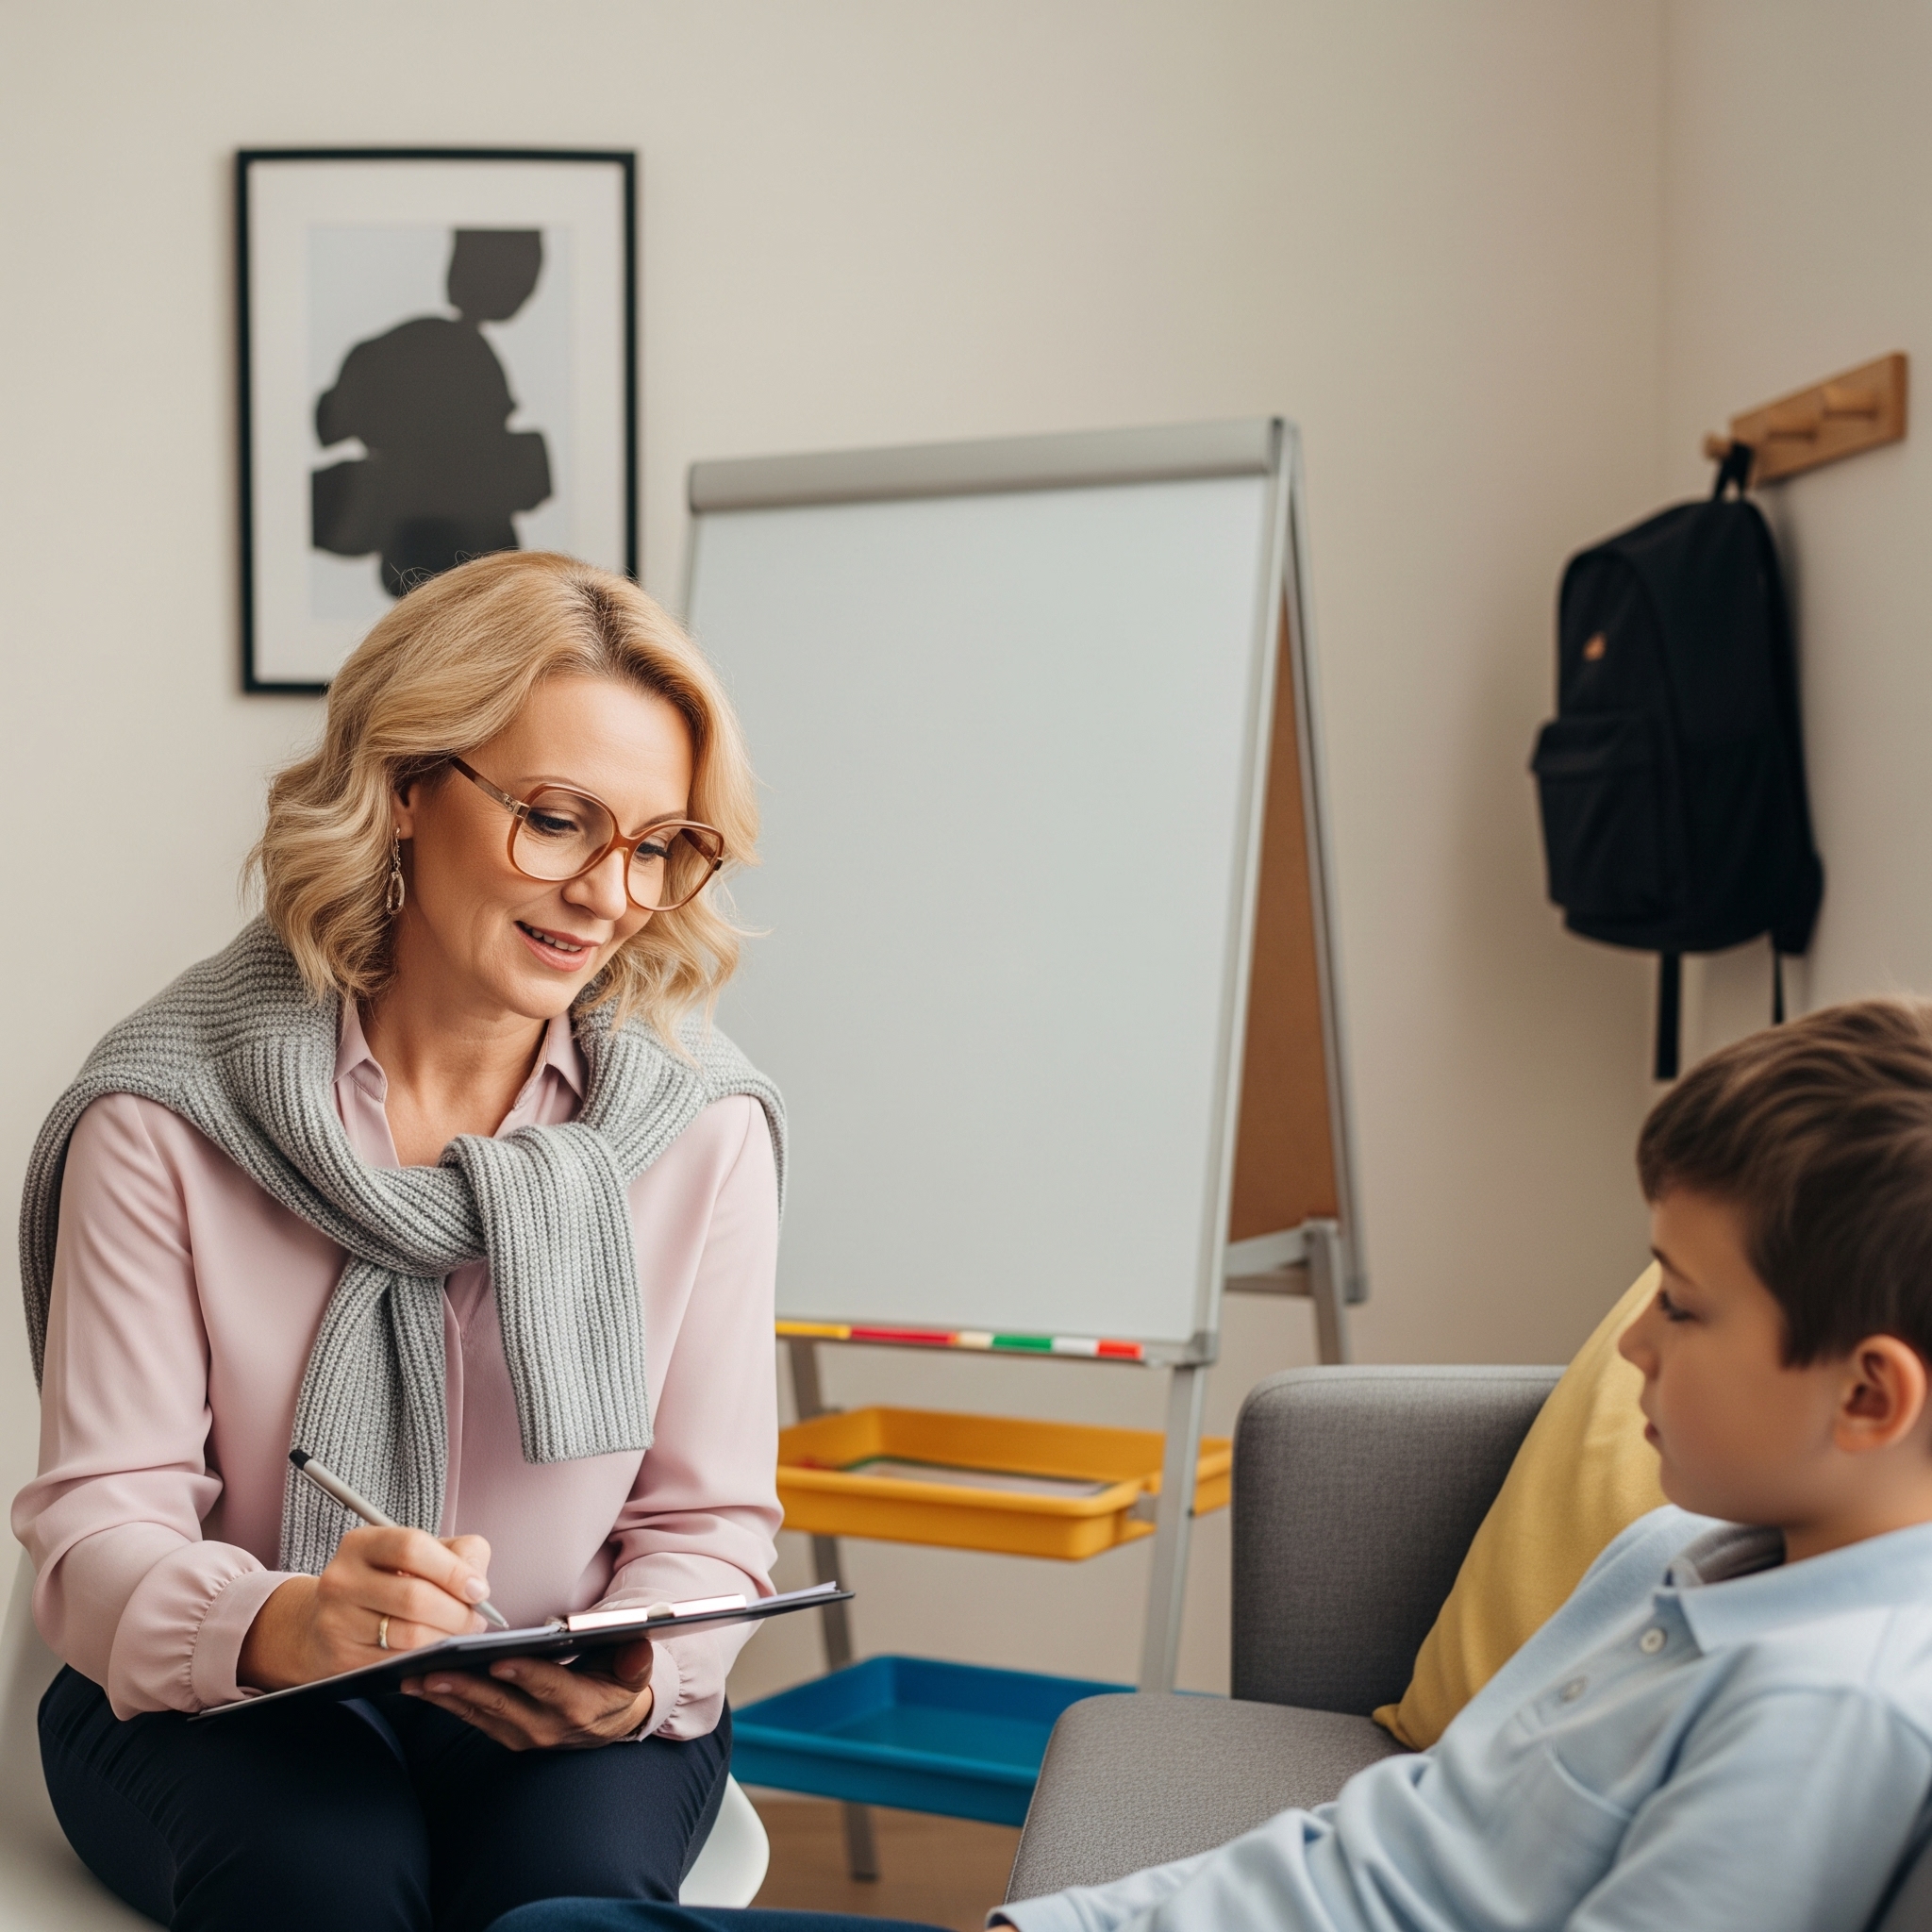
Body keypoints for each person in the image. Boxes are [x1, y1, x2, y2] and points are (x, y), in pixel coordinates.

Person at [494, 998, 1932, 1932]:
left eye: (1679, 1307)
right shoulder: (1667, 1560)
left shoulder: (1830, 1714)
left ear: (1869, 1394)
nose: (1630, 1356)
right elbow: (1371, 1852)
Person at [13, 551, 782, 1932]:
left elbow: (708, 1525)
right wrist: (277, 1628)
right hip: (221, 1696)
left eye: (659, 844)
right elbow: (99, 1522)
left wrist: (631, 1674)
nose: (612, 894)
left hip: (553, 1710)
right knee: (326, 1888)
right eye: (559, 820)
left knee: (572, 1907)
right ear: (408, 787)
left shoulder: (702, 1129)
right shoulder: (161, 1112)